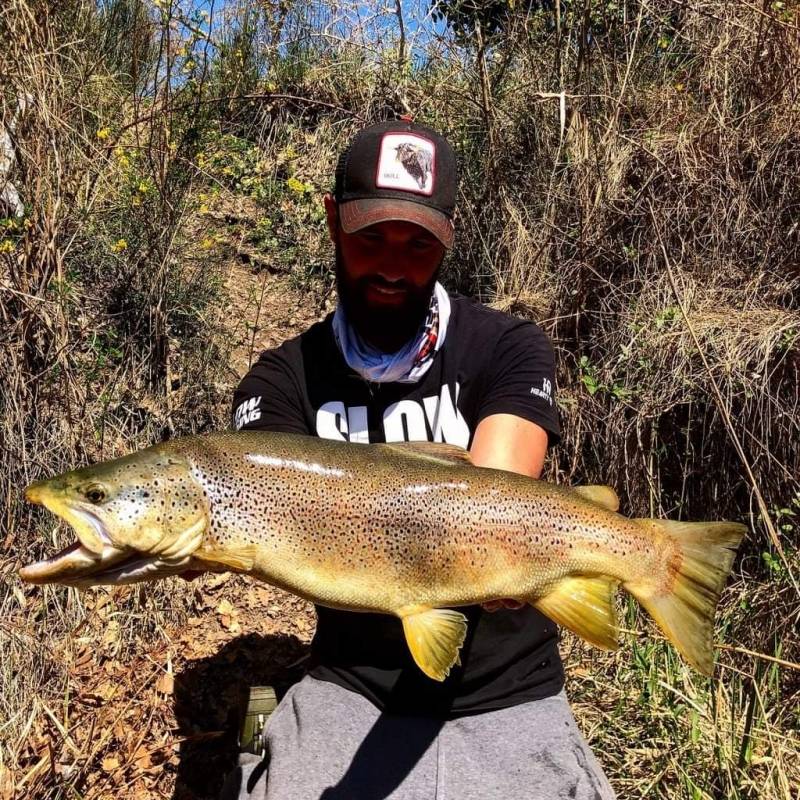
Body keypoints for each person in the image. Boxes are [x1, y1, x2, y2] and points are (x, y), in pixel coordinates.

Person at [220, 119, 616, 800]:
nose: (393, 267)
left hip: (509, 691)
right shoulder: (280, 382)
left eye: (419, 243)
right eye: (370, 237)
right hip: (351, 683)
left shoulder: (509, 347)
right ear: (331, 220)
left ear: (449, 240)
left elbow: (494, 500)